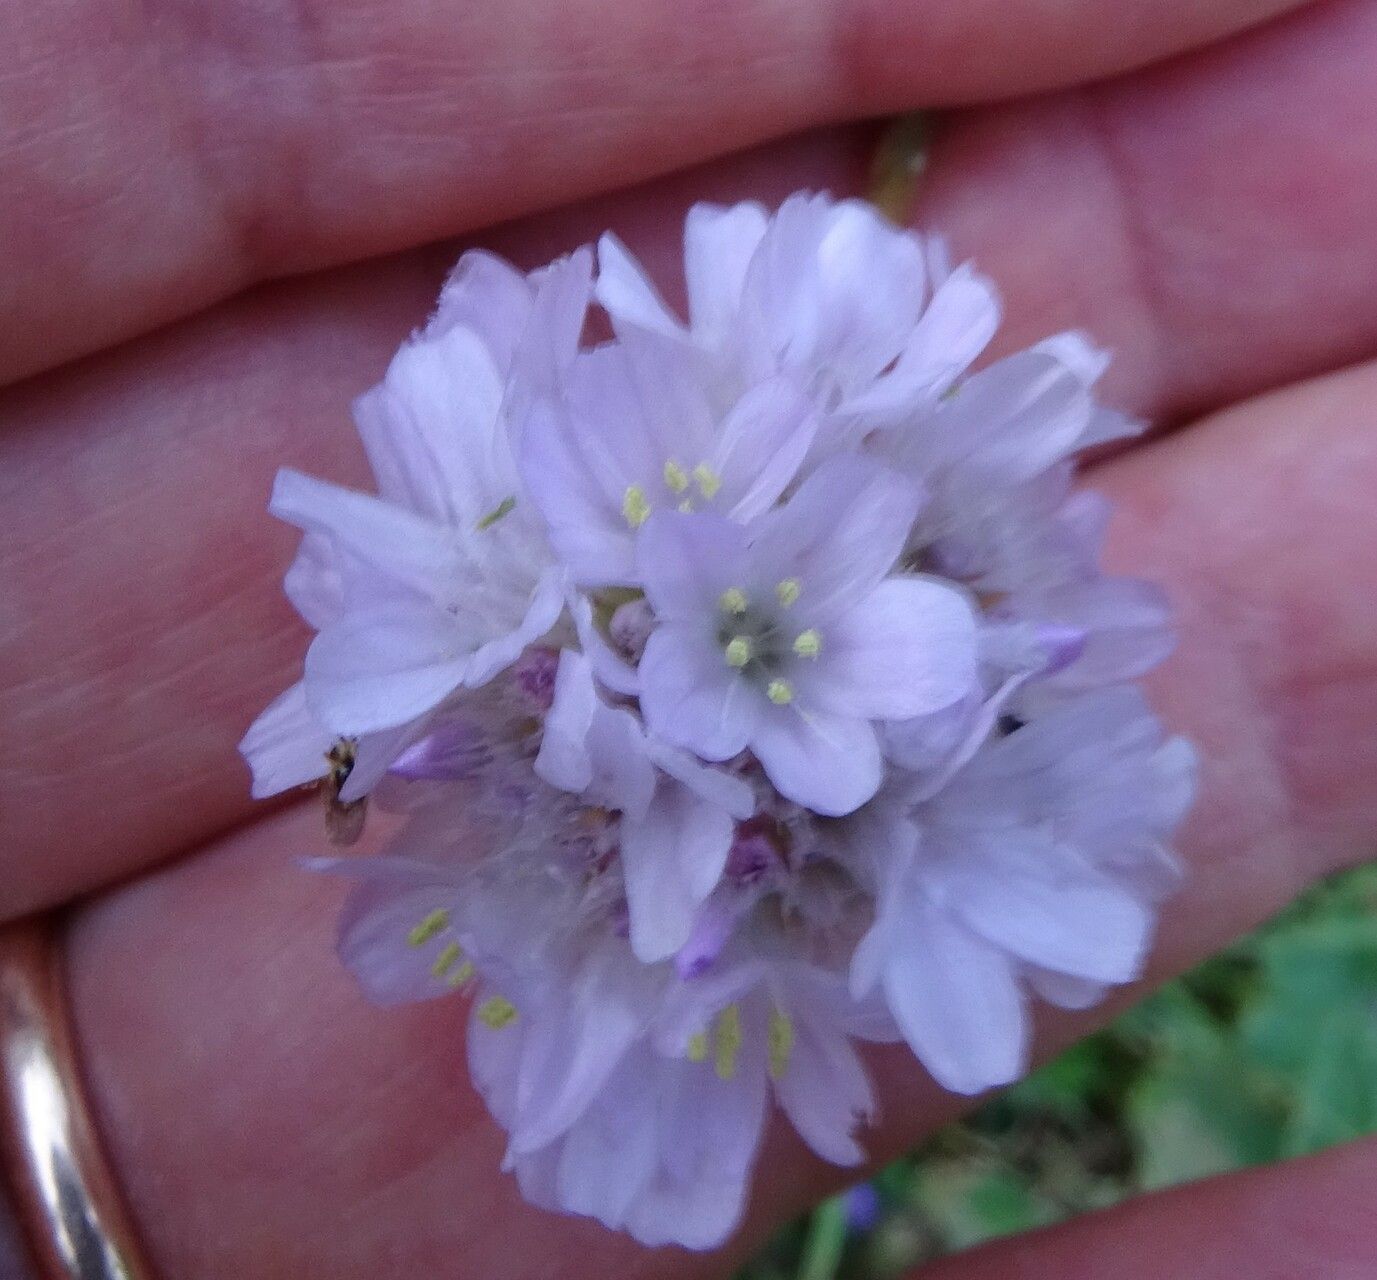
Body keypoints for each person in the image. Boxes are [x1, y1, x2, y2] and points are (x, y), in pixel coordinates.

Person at [3, 0, 1377, 1274]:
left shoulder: (822, 641)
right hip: (667, 598)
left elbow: (804, 685)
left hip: (789, 640)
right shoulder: (641, 631)